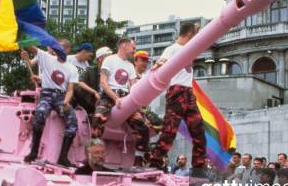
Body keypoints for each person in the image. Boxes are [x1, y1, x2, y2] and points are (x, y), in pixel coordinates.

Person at [149, 22, 206, 174]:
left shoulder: (189, 50)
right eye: (195, 34)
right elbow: (162, 61)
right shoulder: (172, 48)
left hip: (189, 93)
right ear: (189, 34)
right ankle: (154, 164)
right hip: (177, 91)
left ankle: (199, 171)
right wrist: (158, 64)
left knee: (199, 132)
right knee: (169, 132)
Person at [91, 38, 149, 166]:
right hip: (109, 96)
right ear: (123, 46)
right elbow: (103, 82)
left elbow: (134, 87)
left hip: (126, 98)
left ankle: (138, 162)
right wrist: (115, 98)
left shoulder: (130, 66)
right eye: (133, 48)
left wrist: (134, 102)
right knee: (97, 120)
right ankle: (92, 156)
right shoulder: (109, 59)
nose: (134, 51)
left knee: (144, 128)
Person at [21, 45, 79, 167]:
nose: (61, 51)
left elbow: (70, 89)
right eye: (59, 48)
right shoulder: (47, 58)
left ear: (67, 50)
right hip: (46, 94)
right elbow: (32, 48)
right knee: (40, 114)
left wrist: (66, 102)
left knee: (72, 121)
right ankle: (34, 152)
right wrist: (23, 35)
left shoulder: (72, 68)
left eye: (64, 49)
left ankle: (63, 157)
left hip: (61, 97)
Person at [76, 46, 113, 116]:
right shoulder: (90, 70)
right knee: (76, 87)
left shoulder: (113, 71)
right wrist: (94, 92)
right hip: (93, 101)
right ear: (100, 58)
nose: (111, 59)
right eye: (108, 57)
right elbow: (80, 82)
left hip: (109, 99)